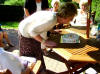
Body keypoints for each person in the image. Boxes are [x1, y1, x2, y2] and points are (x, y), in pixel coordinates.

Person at [18, 2, 77, 73]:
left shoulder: (54, 16)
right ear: (65, 16)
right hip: (25, 33)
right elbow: (32, 31)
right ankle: (36, 71)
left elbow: (43, 25)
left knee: (37, 53)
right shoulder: (52, 20)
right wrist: (44, 42)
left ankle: (41, 70)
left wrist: (52, 30)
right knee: (30, 58)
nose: (70, 21)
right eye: (70, 19)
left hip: (26, 30)